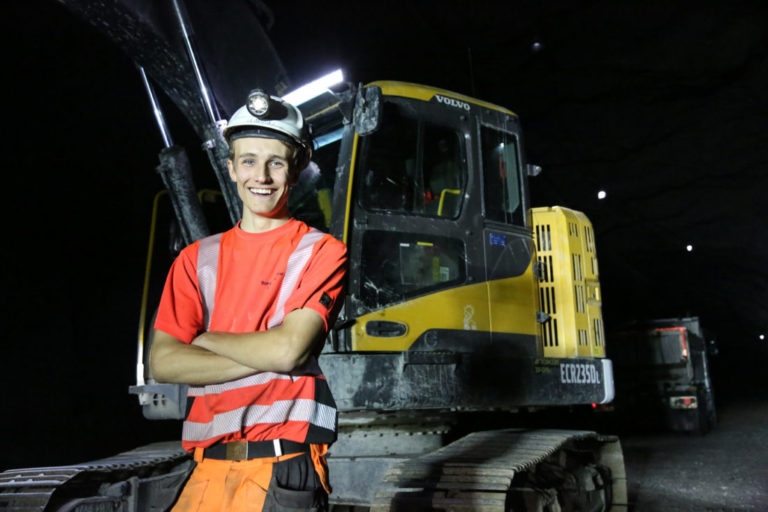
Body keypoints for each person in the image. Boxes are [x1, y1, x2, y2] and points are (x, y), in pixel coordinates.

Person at [150, 90, 347, 511]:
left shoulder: (321, 251)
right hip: (206, 471)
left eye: (276, 162)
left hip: (282, 468)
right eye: (249, 161)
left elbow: (289, 349)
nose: (262, 175)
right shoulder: (195, 259)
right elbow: (164, 362)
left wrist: (204, 339)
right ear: (232, 169)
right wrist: (269, 355)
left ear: (294, 172)